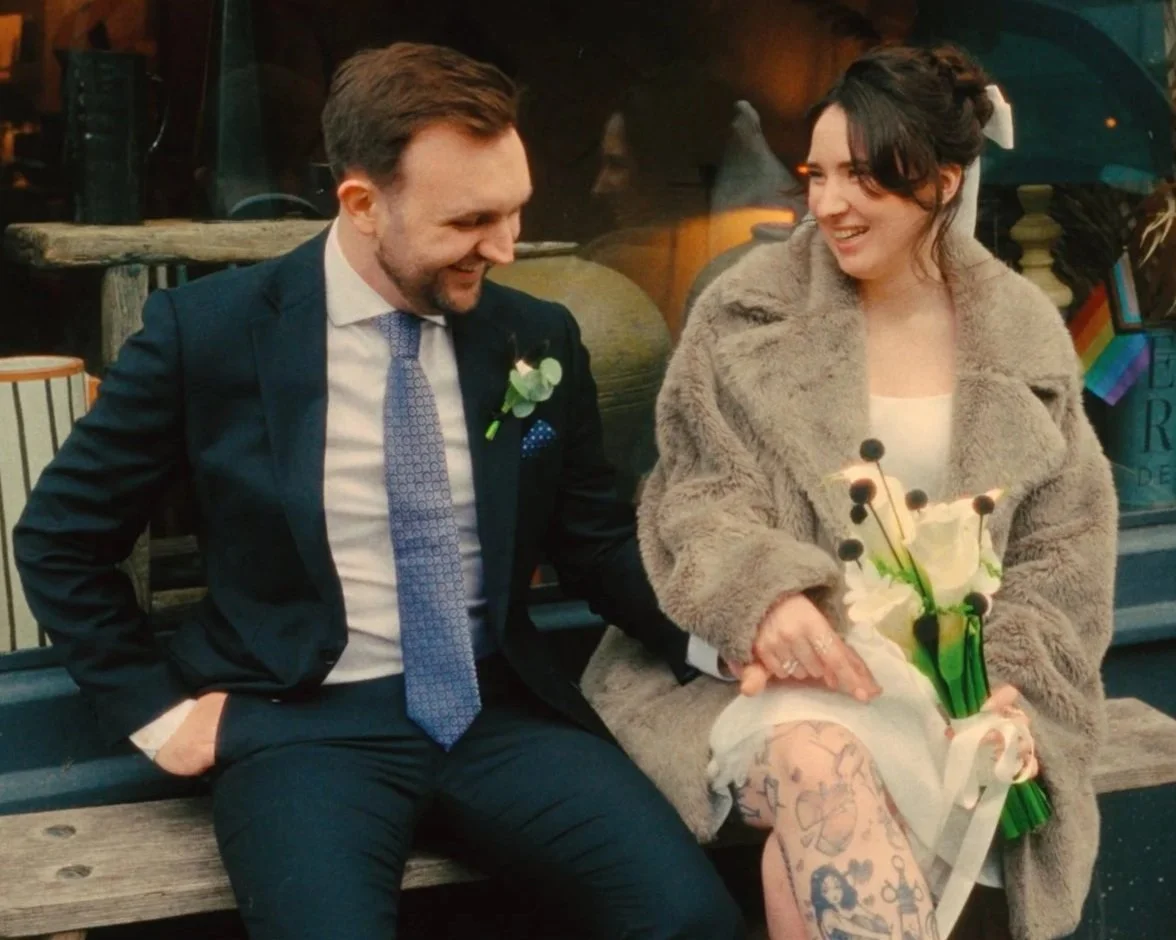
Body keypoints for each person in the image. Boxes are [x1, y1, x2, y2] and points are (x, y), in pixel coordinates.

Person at [14, 42, 744, 940]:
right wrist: (157, 714)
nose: (508, 247)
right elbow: (59, 537)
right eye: (472, 220)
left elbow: (591, 538)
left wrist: (725, 646)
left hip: (497, 709)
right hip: (298, 727)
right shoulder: (209, 335)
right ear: (361, 204)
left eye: (516, 211)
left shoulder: (535, 336)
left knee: (690, 918)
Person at [582, 44, 1117, 940]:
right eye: (817, 174)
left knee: (808, 841)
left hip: (962, 693)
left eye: (864, 178)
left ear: (943, 183)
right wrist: (767, 596)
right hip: (764, 682)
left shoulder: (1020, 331)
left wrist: (1012, 680)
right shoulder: (747, 310)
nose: (829, 203)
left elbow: (1065, 544)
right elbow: (698, 495)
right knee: (821, 760)